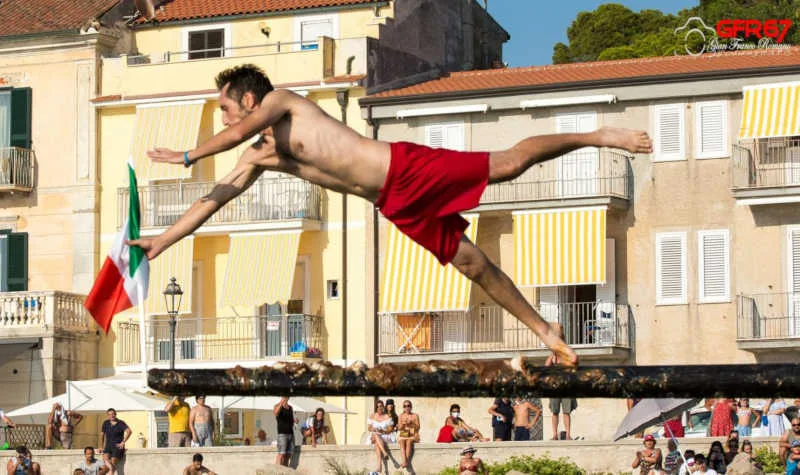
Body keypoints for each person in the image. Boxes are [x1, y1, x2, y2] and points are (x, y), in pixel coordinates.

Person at [135, 64, 653, 368]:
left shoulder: (282, 101)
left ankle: (597, 134)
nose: (226, 119)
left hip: (406, 168)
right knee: (473, 264)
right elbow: (215, 198)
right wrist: (163, 241)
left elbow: (233, 134)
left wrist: (187, 155)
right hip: (395, 204)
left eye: (225, 108)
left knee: (510, 164)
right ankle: (545, 330)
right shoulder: (259, 155)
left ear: (248, 99)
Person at [545, 324, 577, 440]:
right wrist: (552, 355)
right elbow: (546, 366)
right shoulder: (553, 355)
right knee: (554, 412)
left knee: (566, 412)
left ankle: (568, 434)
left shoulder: (566, 353)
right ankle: (554, 434)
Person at [99, 408, 131, 475]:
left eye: (113, 414)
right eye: (110, 414)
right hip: (108, 446)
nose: (112, 416)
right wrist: (101, 446)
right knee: (105, 460)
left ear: (115, 414)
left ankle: (111, 473)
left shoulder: (120, 423)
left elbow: (129, 431)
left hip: (117, 447)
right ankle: (111, 471)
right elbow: (102, 435)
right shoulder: (106, 423)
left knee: (113, 462)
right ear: (108, 415)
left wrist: (123, 442)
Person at [367, 399, 394, 474]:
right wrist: (374, 429)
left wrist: (383, 431)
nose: (379, 408)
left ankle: (380, 466)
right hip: (375, 435)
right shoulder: (372, 416)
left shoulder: (387, 416)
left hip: (385, 436)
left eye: (381, 406)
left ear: (383, 407)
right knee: (376, 436)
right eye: (378, 406)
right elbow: (369, 428)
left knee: (376, 439)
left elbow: (390, 429)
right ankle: (383, 456)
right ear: (376, 408)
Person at [273, 396, 296, 467]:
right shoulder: (277, 406)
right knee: (281, 454)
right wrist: (281, 402)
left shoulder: (290, 407)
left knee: (288, 455)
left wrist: (295, 420)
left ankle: (285, 470)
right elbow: (276, 413)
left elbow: (291, 420)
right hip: (282, 434)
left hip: (290, 433)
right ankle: (277, 471)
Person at [397, 400, 420, 470]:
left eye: (408, 406)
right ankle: (405, 461)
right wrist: (403, 424)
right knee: (401, 442)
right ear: (403, 407)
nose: (406, 407)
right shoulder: (401, 416)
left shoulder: (415, 415)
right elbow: (399, 428)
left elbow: (418, 427)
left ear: (411, 407)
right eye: (405, 406)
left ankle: (405, 462)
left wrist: (412, 423)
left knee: (409, 442)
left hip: (413, 433)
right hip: (404, 433)